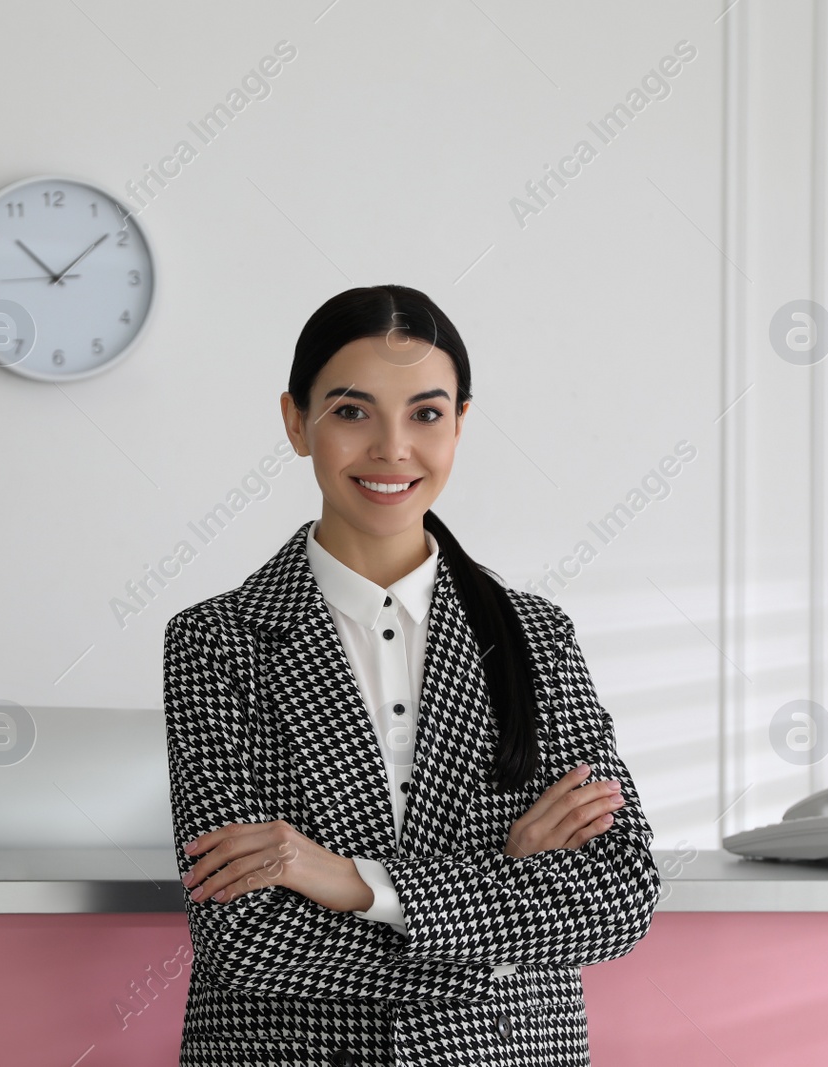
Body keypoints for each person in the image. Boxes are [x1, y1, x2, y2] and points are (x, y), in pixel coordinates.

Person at [161, 284, 661, 1066]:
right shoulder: (218, 642)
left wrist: (353, 882)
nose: (393, 448)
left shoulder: (535, 636)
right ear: (297, 422)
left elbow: (616, 897)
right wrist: (499, 890)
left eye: (426, 414)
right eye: (352, 412)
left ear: (460, 423)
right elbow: (247, 938)